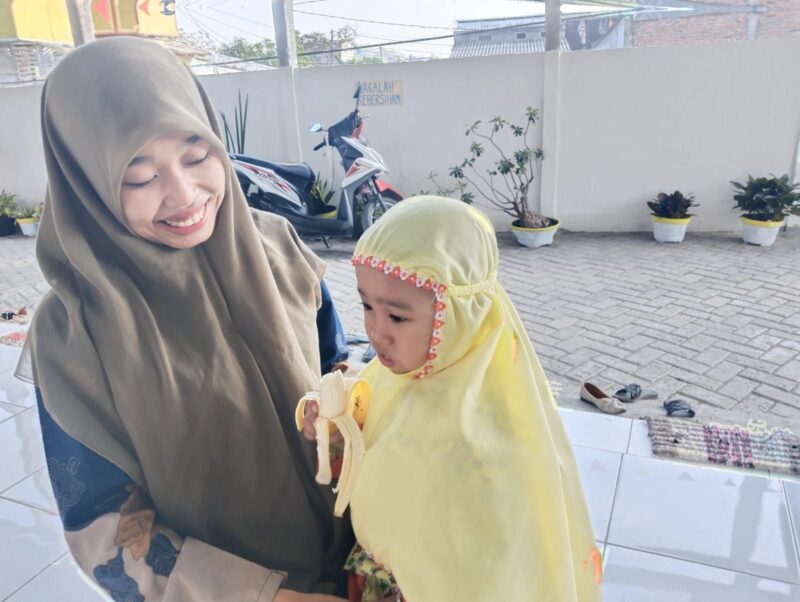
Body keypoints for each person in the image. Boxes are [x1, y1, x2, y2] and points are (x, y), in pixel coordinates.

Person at [16, 36, 354, 601]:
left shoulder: (276, 246)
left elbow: (339, 370)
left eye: (197, 157)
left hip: (360, 560)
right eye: (139, 176)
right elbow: (102, 529)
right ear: (86, 180)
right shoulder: (72, 330)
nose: (184, 193)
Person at [304, 197, 603, 601]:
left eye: (397, 316)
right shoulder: (390, 377)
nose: (375, 332)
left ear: (459, 314)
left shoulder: (497, 447)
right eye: (366, 306)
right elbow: (371, 445)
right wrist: (335, 428)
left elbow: (494, 573)